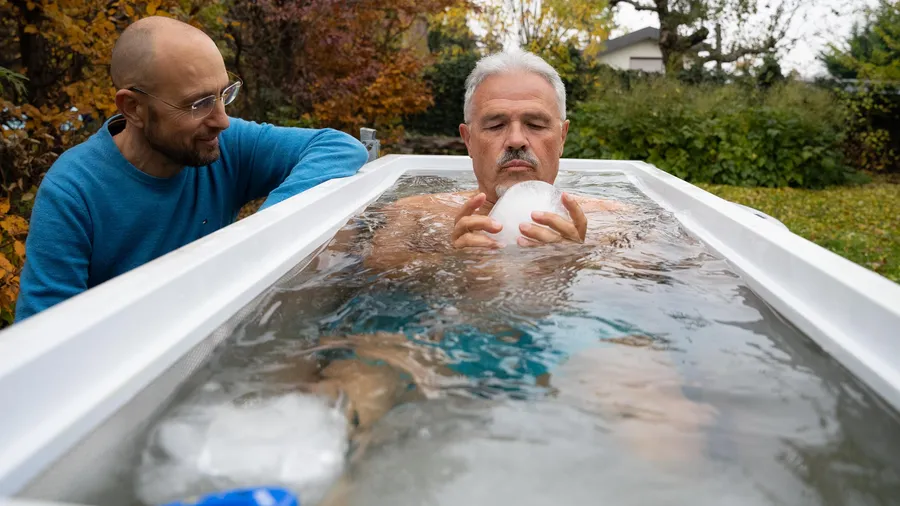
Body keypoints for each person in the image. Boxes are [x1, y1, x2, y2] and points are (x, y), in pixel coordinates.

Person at [14, 16, 369, 323]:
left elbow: (338, 147)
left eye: (223, 94)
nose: (223, 120)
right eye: (198, 103)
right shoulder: (73, 190)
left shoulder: (222, 144)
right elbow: (43, 337)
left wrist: (264, 231)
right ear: (133, 108)